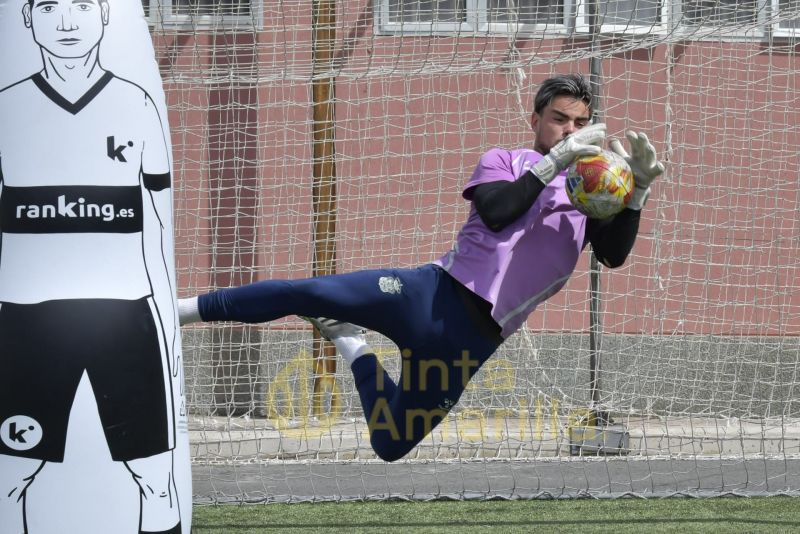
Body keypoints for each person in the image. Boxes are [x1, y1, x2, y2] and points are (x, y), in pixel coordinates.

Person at [178, 73, 665, 463]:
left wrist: (636, 191)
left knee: (390, 445)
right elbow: (497, 212)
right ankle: (180, 311)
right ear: (536, 118)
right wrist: (552, 162)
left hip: (473, 341)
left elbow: (613, 255)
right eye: (560, 119)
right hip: (430, 294)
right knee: (305, 292)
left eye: (580, 123)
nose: (570, 132)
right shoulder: (506, 160)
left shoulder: (594, 192)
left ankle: (351, 344)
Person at [0, 0, 183, 532]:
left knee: (153, 476)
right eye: (49, 6)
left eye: (82, 5)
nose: (66, 22)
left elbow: (158, 231)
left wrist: (168, 331)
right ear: (28, 19)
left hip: (125, 320)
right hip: (26, 326)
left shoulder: (136, 103)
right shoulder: (8, 108)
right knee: (13, 476)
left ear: (105, 16)